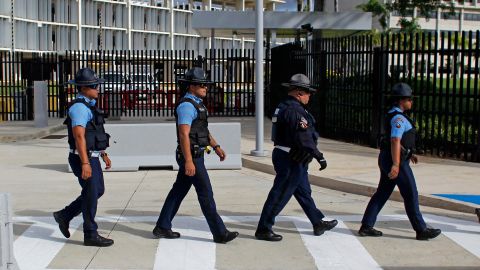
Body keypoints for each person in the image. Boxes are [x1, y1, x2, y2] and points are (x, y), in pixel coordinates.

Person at [153, 67, 239, 244]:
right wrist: (189, 161)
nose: (205, 88)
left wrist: (216, 146)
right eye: (202, 85)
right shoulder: (186, 105)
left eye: (206, 85)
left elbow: (201, 131)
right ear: (191, 86)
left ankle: (162, 226)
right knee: (205, 193)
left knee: (178, 191)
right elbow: (184, 134)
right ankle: (220, 233)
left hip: (196, 154)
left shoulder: (198, 104)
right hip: (191, 156)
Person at [255, 74, 338, 242]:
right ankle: (264, 228)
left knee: (303, 192)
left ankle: (317, 222)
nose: (310, 96)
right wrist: (319, 156)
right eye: (308, 92)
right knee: (280, 194)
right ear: (299, 93)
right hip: (290, 158)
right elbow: (304, 137)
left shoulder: (285, 106)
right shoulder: (294, 110)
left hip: (292, 157)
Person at [358, 83, 441, 241]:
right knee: (411, 194)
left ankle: (366, 226)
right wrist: (396, 164)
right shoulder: (398, 118)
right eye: (410, 99)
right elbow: (395, 139)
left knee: (382, 192)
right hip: (395, 161)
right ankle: (421, 229)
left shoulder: (393, 114)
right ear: (402, 100)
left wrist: (409, 153)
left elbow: (398, 141)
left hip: (388, 157)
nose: (411, 102)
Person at [53, 68, 114, 247]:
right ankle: (90, 233)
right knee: (91, 192)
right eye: (94, 86)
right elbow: (79, 136)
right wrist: (85, 162)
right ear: (84, 88)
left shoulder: (90, 105)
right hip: (83, 158)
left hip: (92, 156)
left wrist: (103, 154)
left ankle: (64, 215)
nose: (98, 89)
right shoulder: (79, 108)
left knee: (97, 191)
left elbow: (93, 133)